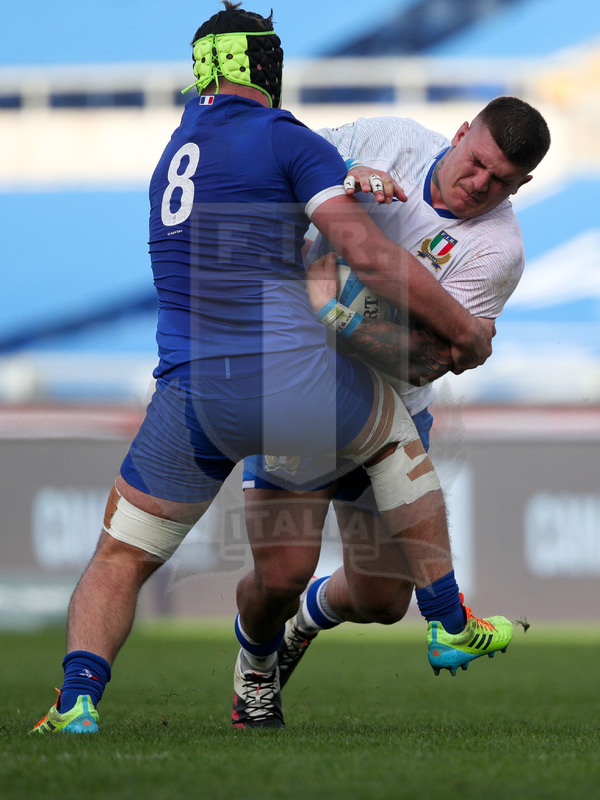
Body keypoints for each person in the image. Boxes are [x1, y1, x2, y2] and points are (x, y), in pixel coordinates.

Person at [30, 2, 496, 735]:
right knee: (391, 434)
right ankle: (448, 620)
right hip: (288, 382)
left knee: (118, 556)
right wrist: (463, 331)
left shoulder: (173, 155)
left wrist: (341, 175)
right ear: (266, 65)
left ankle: (77, 701)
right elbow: (366, 254)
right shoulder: (284, 135)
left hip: (191, 393)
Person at [238, 97, 551, 723]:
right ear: (460, 134)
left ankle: (305, 624)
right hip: (298, 391)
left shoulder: (497, 250)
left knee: (383, 601)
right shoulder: (388, 140)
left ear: (522, 185)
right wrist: (346, 169)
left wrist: (336, 314)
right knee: (281, 576)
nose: (480, 184)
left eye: (501, 181)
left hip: (392, 409)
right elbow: (277, 158)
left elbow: (426, 362)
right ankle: (255, 676)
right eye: (476, 162)